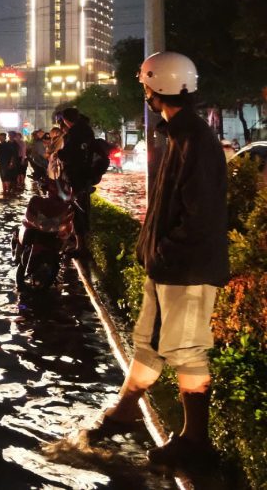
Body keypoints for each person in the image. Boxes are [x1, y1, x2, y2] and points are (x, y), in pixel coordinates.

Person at [83, 52, 229, 471]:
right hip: (169, 267)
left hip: (187, 270)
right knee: (148, 343)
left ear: (158, 87)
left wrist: (164, 250)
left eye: (145, 85)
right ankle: (125, 413)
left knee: (186, 351)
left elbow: (199, 216)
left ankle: (196, 443)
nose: (143, 93)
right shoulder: (180, 136)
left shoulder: (194, 141)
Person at [52, 107, 96, 253]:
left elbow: (69, 154)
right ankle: (82, 244)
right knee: (82, 208)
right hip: (86, 174)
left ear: (65, 120)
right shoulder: (87, 130)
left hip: (76, 175)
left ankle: (81, 246)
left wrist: (60, 153)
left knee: (77, 210)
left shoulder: (75, 133)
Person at [0, 132, 18, 197]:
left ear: (5, 137)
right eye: (0, 137)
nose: (1, 138)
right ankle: (4, 190)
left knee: (7, 177)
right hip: (1, 164)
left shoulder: (8, 145)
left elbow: (13, 155)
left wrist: (11, 163)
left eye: (2, 137)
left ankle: (7, 190)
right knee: (2, 177)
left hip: (6, 163)